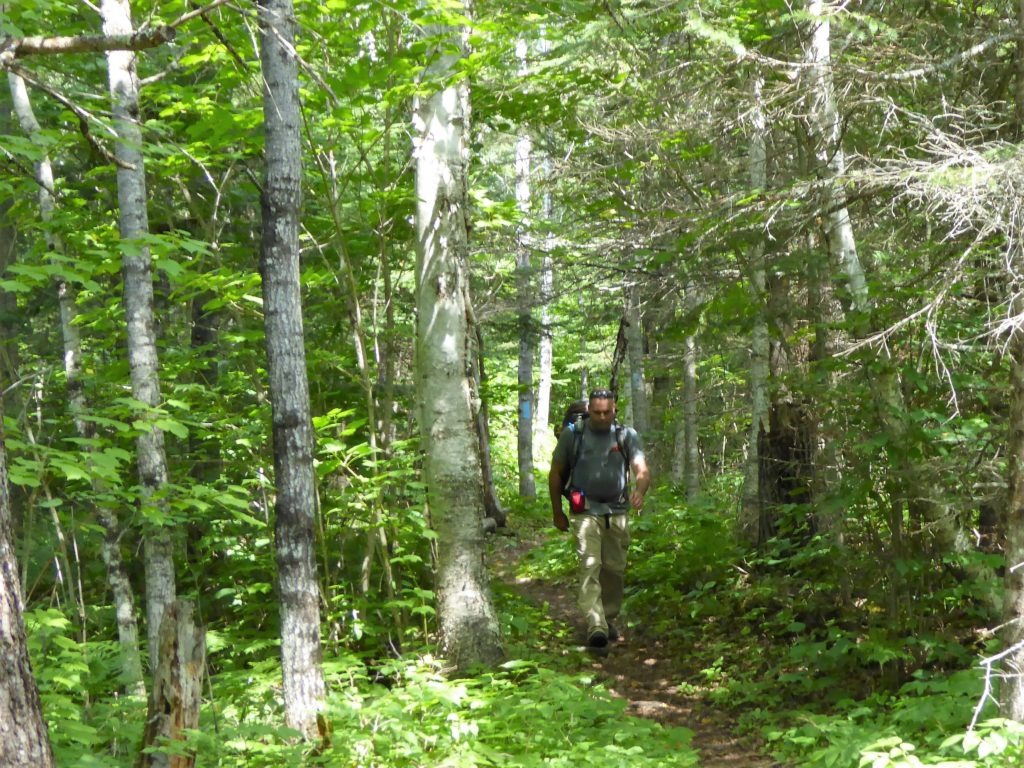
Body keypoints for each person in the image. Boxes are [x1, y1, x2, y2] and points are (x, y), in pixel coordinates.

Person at [548, 389, 650, 650]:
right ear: (589, 410)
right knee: (590, 564)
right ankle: (596, 625)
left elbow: (641, 469)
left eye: (607, 412)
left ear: (615, 410)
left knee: (614, 569)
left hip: (617, 511)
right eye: (597, 412)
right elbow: (556, 472)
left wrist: (639, 490)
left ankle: (608, 617)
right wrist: (557, 511)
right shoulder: (575, 434)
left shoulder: (626, 435)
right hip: (585, 511)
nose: (602, 417)